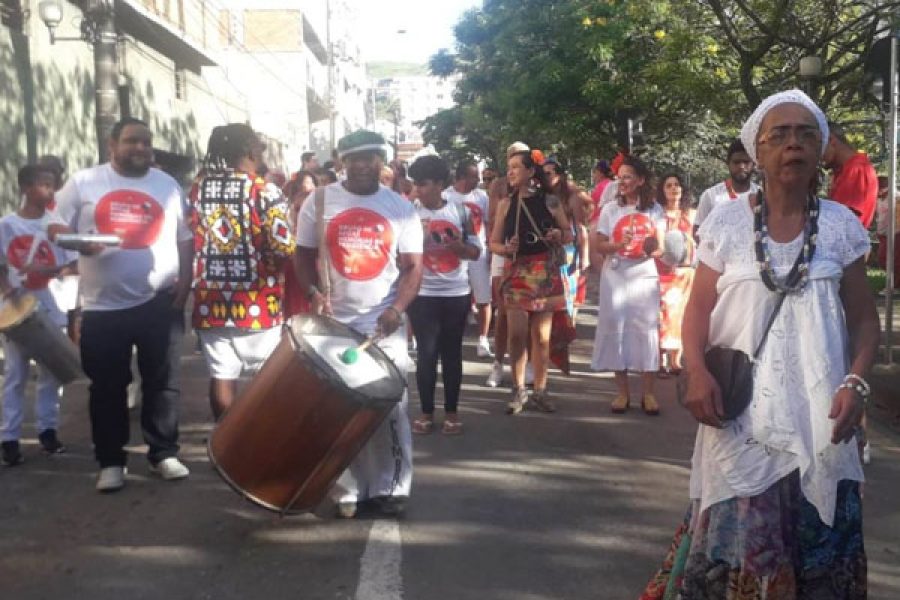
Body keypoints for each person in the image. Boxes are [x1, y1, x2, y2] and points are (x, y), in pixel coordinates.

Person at [642, 90, 879, 599]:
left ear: (820, 149)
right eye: (780, 134)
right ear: (758, 150)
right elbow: (697, 311)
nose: (794, 144)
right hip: (741, 421)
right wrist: (696, 372)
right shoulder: (727, 223)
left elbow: (864, 319)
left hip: (821, 424)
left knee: (822, 558)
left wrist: (857, 382)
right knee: (742, 550)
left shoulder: (840, 226)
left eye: (806, 134)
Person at [51, 117, 194, 492]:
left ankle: (163, 453)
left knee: (162, 383)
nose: (140, 148)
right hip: (103, 308)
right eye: (132, 141)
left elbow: (184, 237)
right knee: (107, 388)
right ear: (112, 145)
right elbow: (55, 226)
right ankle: (111, 462)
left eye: (146, 142)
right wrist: (80, 244)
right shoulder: (84, 182)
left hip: (159, 303)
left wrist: (186, 283)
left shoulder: (166, 184)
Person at [295, 130, 423, 518]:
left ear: (381, 161)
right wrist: (314, 293)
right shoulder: (318, 201)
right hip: (332, 324)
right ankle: (346, 488)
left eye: (371, 157)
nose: (364, 165)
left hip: (383, 323)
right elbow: (301, 257)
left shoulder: (400, 207)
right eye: (355, 158)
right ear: (342, 162)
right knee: (335, 410)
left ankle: (391, 486)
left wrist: (397, 309)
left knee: (389, 407)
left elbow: (413, 267)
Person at [189, 124, 295, 420]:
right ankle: (258, 440)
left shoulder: (199, 188)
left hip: (211, 301)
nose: (263, 151)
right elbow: (283, 246)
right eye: (260, 145)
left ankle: (225, 440)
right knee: (266, 379)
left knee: (221, 375)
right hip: (257, 301)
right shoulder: (263, 190)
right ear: (249, 150)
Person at [0, 165, 77, 466]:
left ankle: (48, 431)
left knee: (51, 374)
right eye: (43, 184)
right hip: (16, 310)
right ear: (25, 188)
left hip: (50, 306)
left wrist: (53, 270)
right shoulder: (7, 225)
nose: (49, 190)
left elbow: (75, 263)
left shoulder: (56, 226)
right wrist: (7, 288)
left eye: (52, 184)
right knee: (15, 374)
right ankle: (9, 438)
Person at [489, 149, 572, 414]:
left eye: (516, 167)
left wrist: (558, 234)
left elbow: (569, 233)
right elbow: (493, 243)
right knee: (516, 334)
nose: (511, 172)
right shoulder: (505, 204)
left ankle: (540, 390)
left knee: (541, 337)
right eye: (509, 167)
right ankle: (518, 389)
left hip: (545, 272)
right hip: (517, 273)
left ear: (530, 171)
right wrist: (506, 248)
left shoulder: (550, 201)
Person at [407, 155, 481, 435]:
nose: (418, 189)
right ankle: (426, 412)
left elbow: (476, 252)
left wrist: (460, 248)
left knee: (451, 354)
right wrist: (418, 239)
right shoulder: (408, 213)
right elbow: (398, 256)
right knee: (426, 354)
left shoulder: (461, 212)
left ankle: (452, 412)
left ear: (439, 184)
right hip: (422, 293)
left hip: (456, 293)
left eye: (424, 183)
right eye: (416, 184)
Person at [591, 156, 665, 415]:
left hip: (644, 275)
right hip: (616, 275)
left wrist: (650, 248)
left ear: (640, 180)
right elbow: (599, 245)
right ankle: (622, 393)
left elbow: (660, 248)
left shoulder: (654, 209)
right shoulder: (611, 209)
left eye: (627, 176)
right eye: (619, 177)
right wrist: (619, 245)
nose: (621, 182)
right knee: (616, 328)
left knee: (646, 328)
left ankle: (648, 393)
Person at [485, 142, 530, 388]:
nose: (513, 166)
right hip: (503, 251)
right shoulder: (498, 185)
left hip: (530, 256)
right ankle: (498, 363)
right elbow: (493, 218)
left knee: (530, 312)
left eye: (519, 160)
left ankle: (527, 363)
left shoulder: (538, 188)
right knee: (503, 312)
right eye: (510, 159)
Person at [444, 159, 493, 358]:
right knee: (456, 297)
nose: (478, 180)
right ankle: (452, 336)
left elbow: (489, 223)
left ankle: (483, 339)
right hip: (455, 254)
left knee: (483, 297)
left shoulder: (482, 196)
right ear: (462, 176)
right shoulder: (446, 196)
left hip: (478, 252)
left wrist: (490, 249)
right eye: (474, 176)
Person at [655, 172, 696, 374]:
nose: (673, 188)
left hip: (684, 274)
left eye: (677, 184)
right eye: (669, 185)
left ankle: (676, 359)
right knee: (662, 314)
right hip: (661, 272)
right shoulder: (657, 215)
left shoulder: (692, 214)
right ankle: (660, 358)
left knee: (681, 315)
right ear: (662, 191)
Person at [693, 138, 758, 239]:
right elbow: (697, 231)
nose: (741, 166)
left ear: (753, 164)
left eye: (746, 162)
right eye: (736, 162)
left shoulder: (761, 195)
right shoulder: (711, 196)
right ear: (728, 163)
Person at [823, 121, 878, 229]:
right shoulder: (844, 170)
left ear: (831, 140)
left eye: (817, 148)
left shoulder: (856, 169)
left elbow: (842, 221)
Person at [283, 170, 318, 318]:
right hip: (297, 256)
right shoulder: (295, 205)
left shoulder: (319, 202)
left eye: (313, 183)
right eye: (307, 184)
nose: (311, 187)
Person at [876, 175, 900, 287]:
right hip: (883, 234)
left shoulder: (896, 198)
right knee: (883, 259)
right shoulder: (878, 198)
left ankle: (895, 285)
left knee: (895, 261)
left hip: (896, 234)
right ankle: (894, 283)